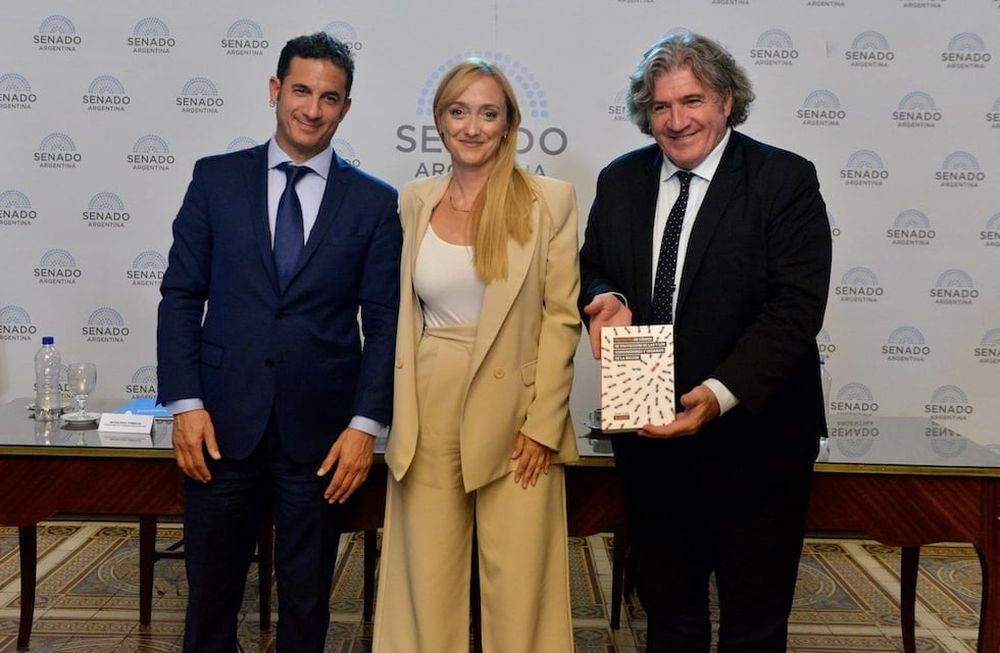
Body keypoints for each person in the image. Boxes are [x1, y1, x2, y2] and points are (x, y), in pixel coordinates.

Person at [579, 32, 832, 652]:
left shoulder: (784, 180)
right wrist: (603, 297)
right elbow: (594, 265)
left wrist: (718, 395)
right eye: (661, 107)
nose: (676, 120)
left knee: (754, 624)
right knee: (668, 619)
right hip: (648, 438)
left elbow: (795, 309)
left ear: (725, 100)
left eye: (691, 101)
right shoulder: (621, 180)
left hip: (756, 439)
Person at [156, 32, 400, 652]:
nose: (312, 109)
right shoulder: (214, 180)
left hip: (320, 436)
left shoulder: (374, 202)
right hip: (218, 428)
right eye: (300, 91)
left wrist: (364, 425)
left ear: (345, 107)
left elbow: (386, 320)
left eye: (329, 97)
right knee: (209, 600)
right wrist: (185, 406)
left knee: (307, 599)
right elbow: (182, 296)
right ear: (274, 90)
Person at [372, 58, 581, 653]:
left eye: (488, 113)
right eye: (459, 112)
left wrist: (544, 425)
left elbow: (562, 318)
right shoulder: (415, 200)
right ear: (439, 121)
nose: (472, 126)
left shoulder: (551, 201)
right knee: (425, 579)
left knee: (520, 588)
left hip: (519, 416)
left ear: (509, 122)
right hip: (428, 405)